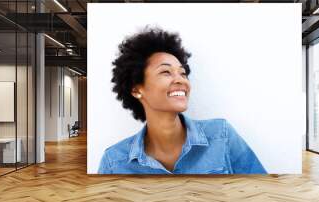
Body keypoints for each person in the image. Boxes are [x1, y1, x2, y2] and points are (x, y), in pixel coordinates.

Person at [98, 27, 266, 174]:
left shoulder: (221, 135)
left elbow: (261, 193)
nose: (181, 80)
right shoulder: (114, 161)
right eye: (166, 72)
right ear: (136, 89)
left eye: (183, 73)